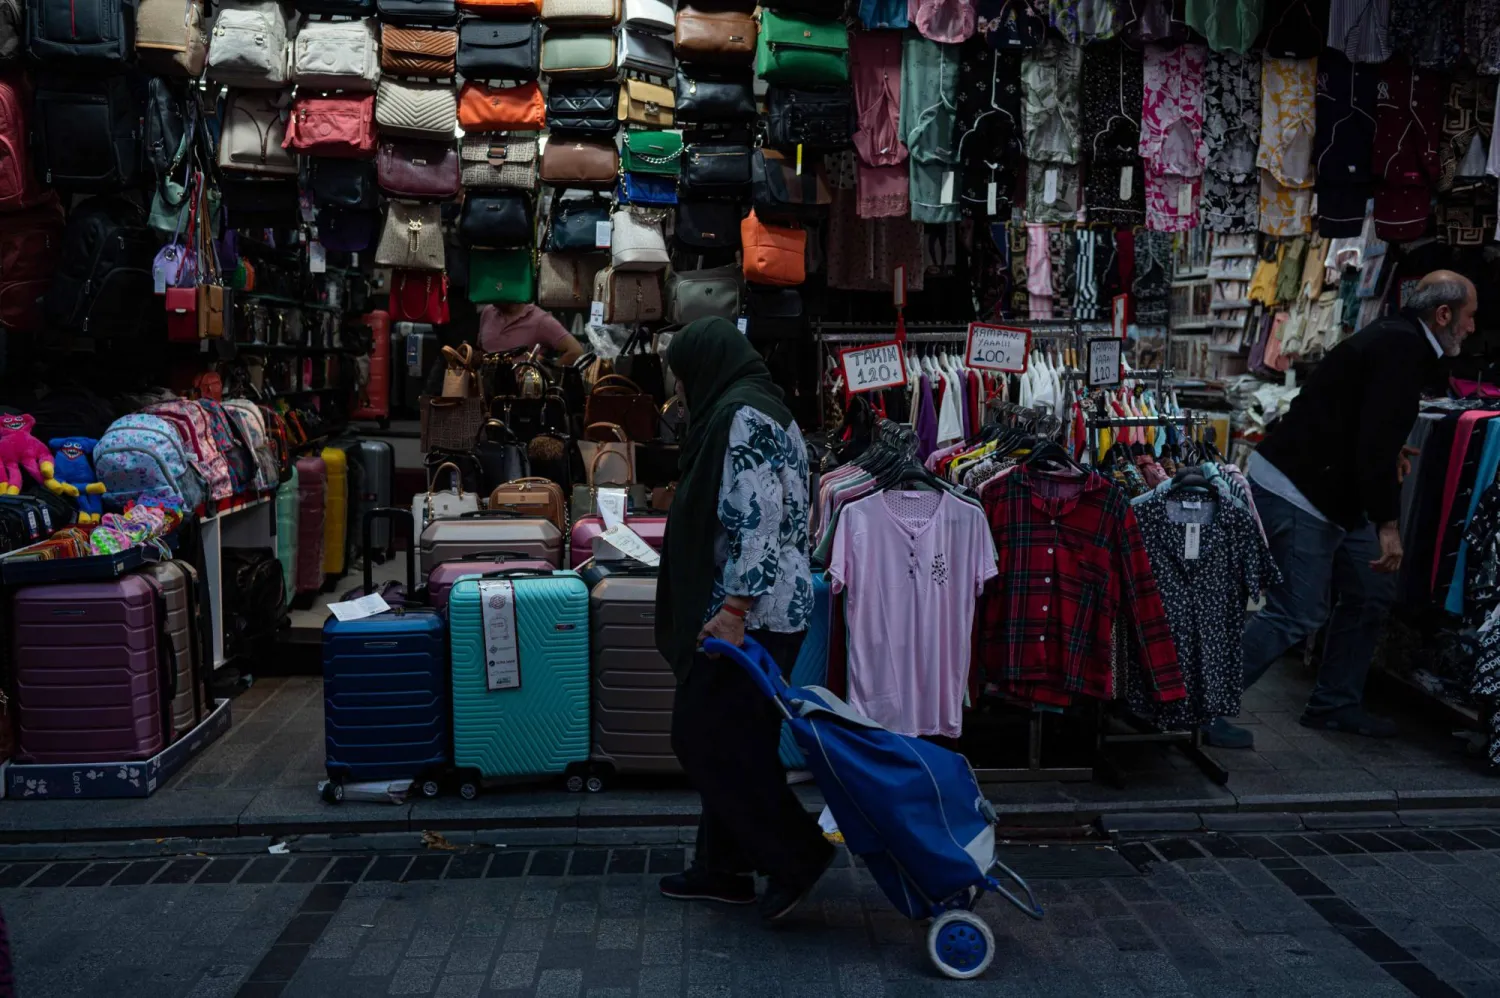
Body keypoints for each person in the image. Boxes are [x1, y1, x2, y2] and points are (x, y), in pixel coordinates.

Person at [1211, 271, 1476, 747]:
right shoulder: (1402, 349)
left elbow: (1359, 420)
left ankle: (1335, 702)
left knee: (1372, 586)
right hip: (1301, 488)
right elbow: (1372, 443)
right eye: (1470, 317)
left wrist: (1386, 449)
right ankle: (1204, 705)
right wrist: (1389, 526)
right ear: (1444, 315)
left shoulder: (1398, 340)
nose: (1472, 327)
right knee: (1298, 609)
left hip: (1332, 486)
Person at [654, 317, 833, 922]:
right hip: (766, 610)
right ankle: (723, 869)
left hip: (750, 614)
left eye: (682, 377)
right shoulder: (761, 407)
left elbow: (755, 521)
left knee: (705, 738)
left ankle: (796, 854)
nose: (679, 392)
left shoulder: (744, 417)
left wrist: (734, 611)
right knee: (739, 740)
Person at [476, 301, 586, 363]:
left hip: (522, 395)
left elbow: (576, 351)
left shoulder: (540, 320)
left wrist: (548, 374)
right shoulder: (488, 312)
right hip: (486, 391)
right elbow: (482, 350)